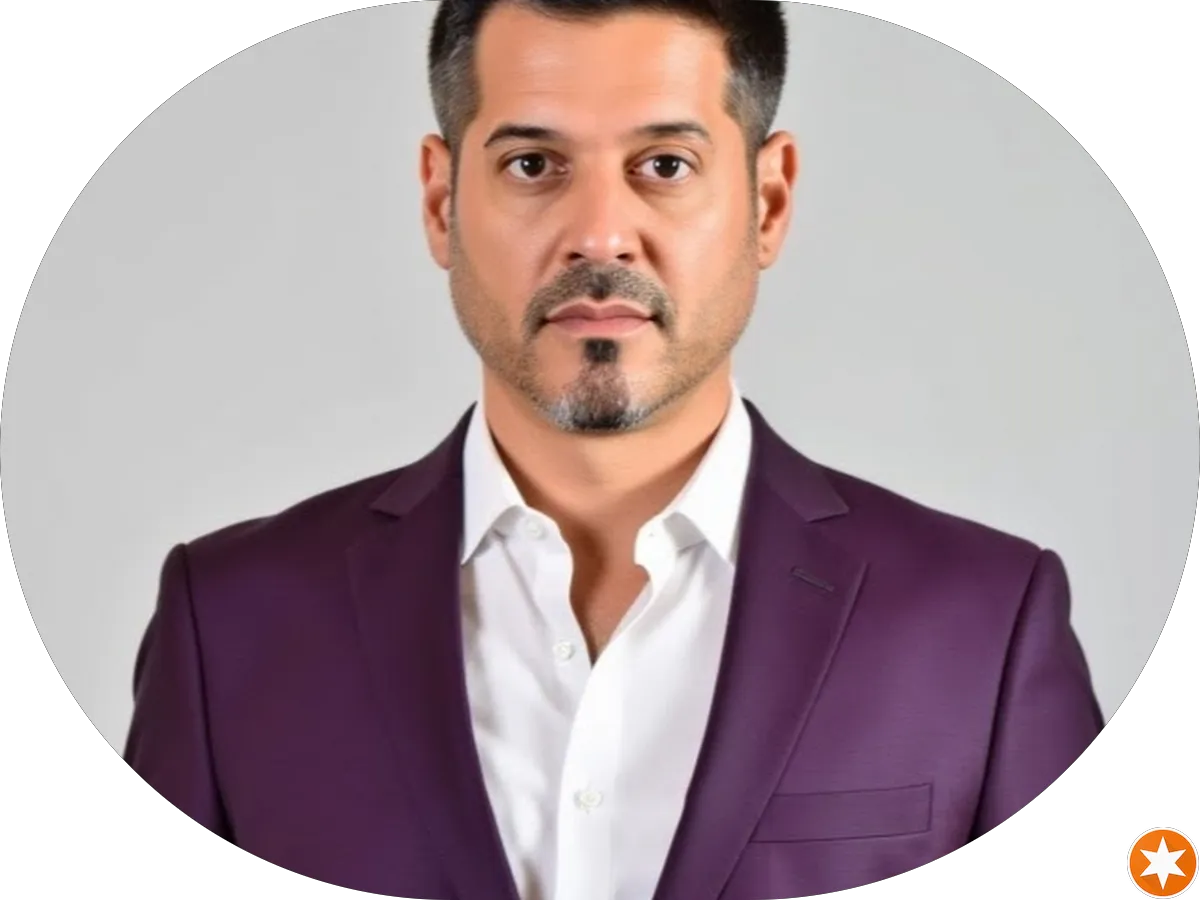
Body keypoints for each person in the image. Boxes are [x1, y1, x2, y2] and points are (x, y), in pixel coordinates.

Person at [123, 2, 1105, 898]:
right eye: (533, 165)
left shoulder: (981, 625)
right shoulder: (231, 624)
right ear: (440, 201)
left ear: (768, 203)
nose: (599, 236)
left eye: (664, 165)